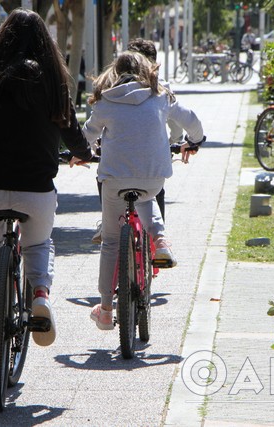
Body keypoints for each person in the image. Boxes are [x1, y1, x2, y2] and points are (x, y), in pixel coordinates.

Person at [0, 8, 93, 346]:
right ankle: (41, 295)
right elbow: (72, 131)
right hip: (36, 189)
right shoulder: (52, 78)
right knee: (38, 243)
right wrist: (83, 153)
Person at [80, 51, 204, 330]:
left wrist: (79, 154)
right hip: (153, 178)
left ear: (114, 73)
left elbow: (87, 135)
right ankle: (160, 241)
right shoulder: (160, 95)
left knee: (111, 241)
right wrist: (194, 141)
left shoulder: (105, 101)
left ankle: (106, 309)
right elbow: (191, 119)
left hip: (113, 179)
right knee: (147, 197)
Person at [90, 38, 184, 244]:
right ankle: (158, 239)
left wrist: (87, 148)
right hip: (151, 166)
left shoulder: (113, 90)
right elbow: (179, 123)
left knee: (104, 178)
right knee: (153, 192)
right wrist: (172, 143)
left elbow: (92, 127)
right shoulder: (160, 90)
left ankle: (106, 224)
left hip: (117, 170)